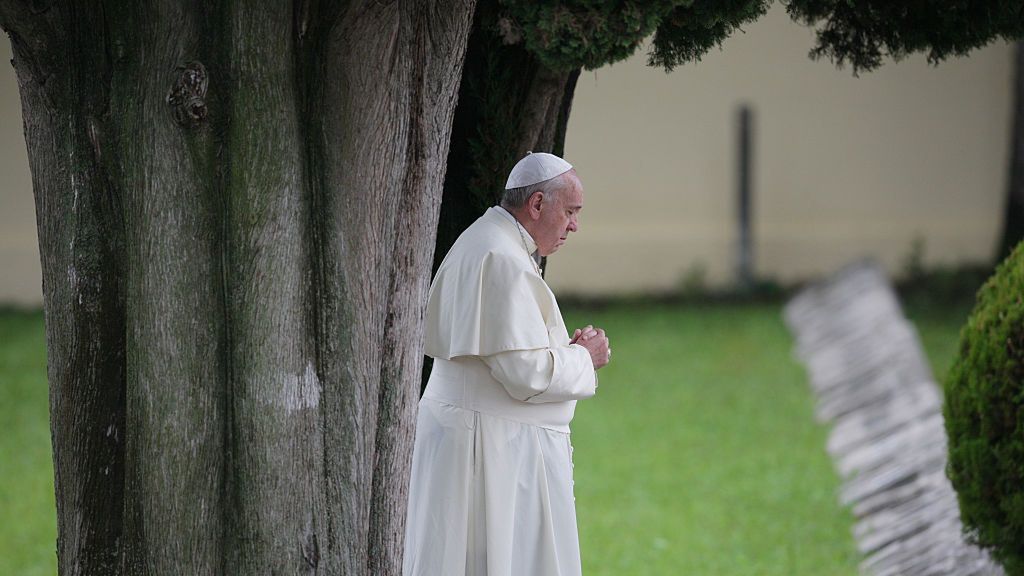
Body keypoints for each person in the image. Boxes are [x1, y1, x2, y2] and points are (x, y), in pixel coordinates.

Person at [403, 152, 611, 576]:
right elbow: (524, 375)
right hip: (487, 449)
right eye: (570, 212)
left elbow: (509, 350)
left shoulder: (491, 242)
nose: (574, 225)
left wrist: (563, 351)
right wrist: (583, 359)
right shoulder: (500, 257)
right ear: (537, 204)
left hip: (483, 440)